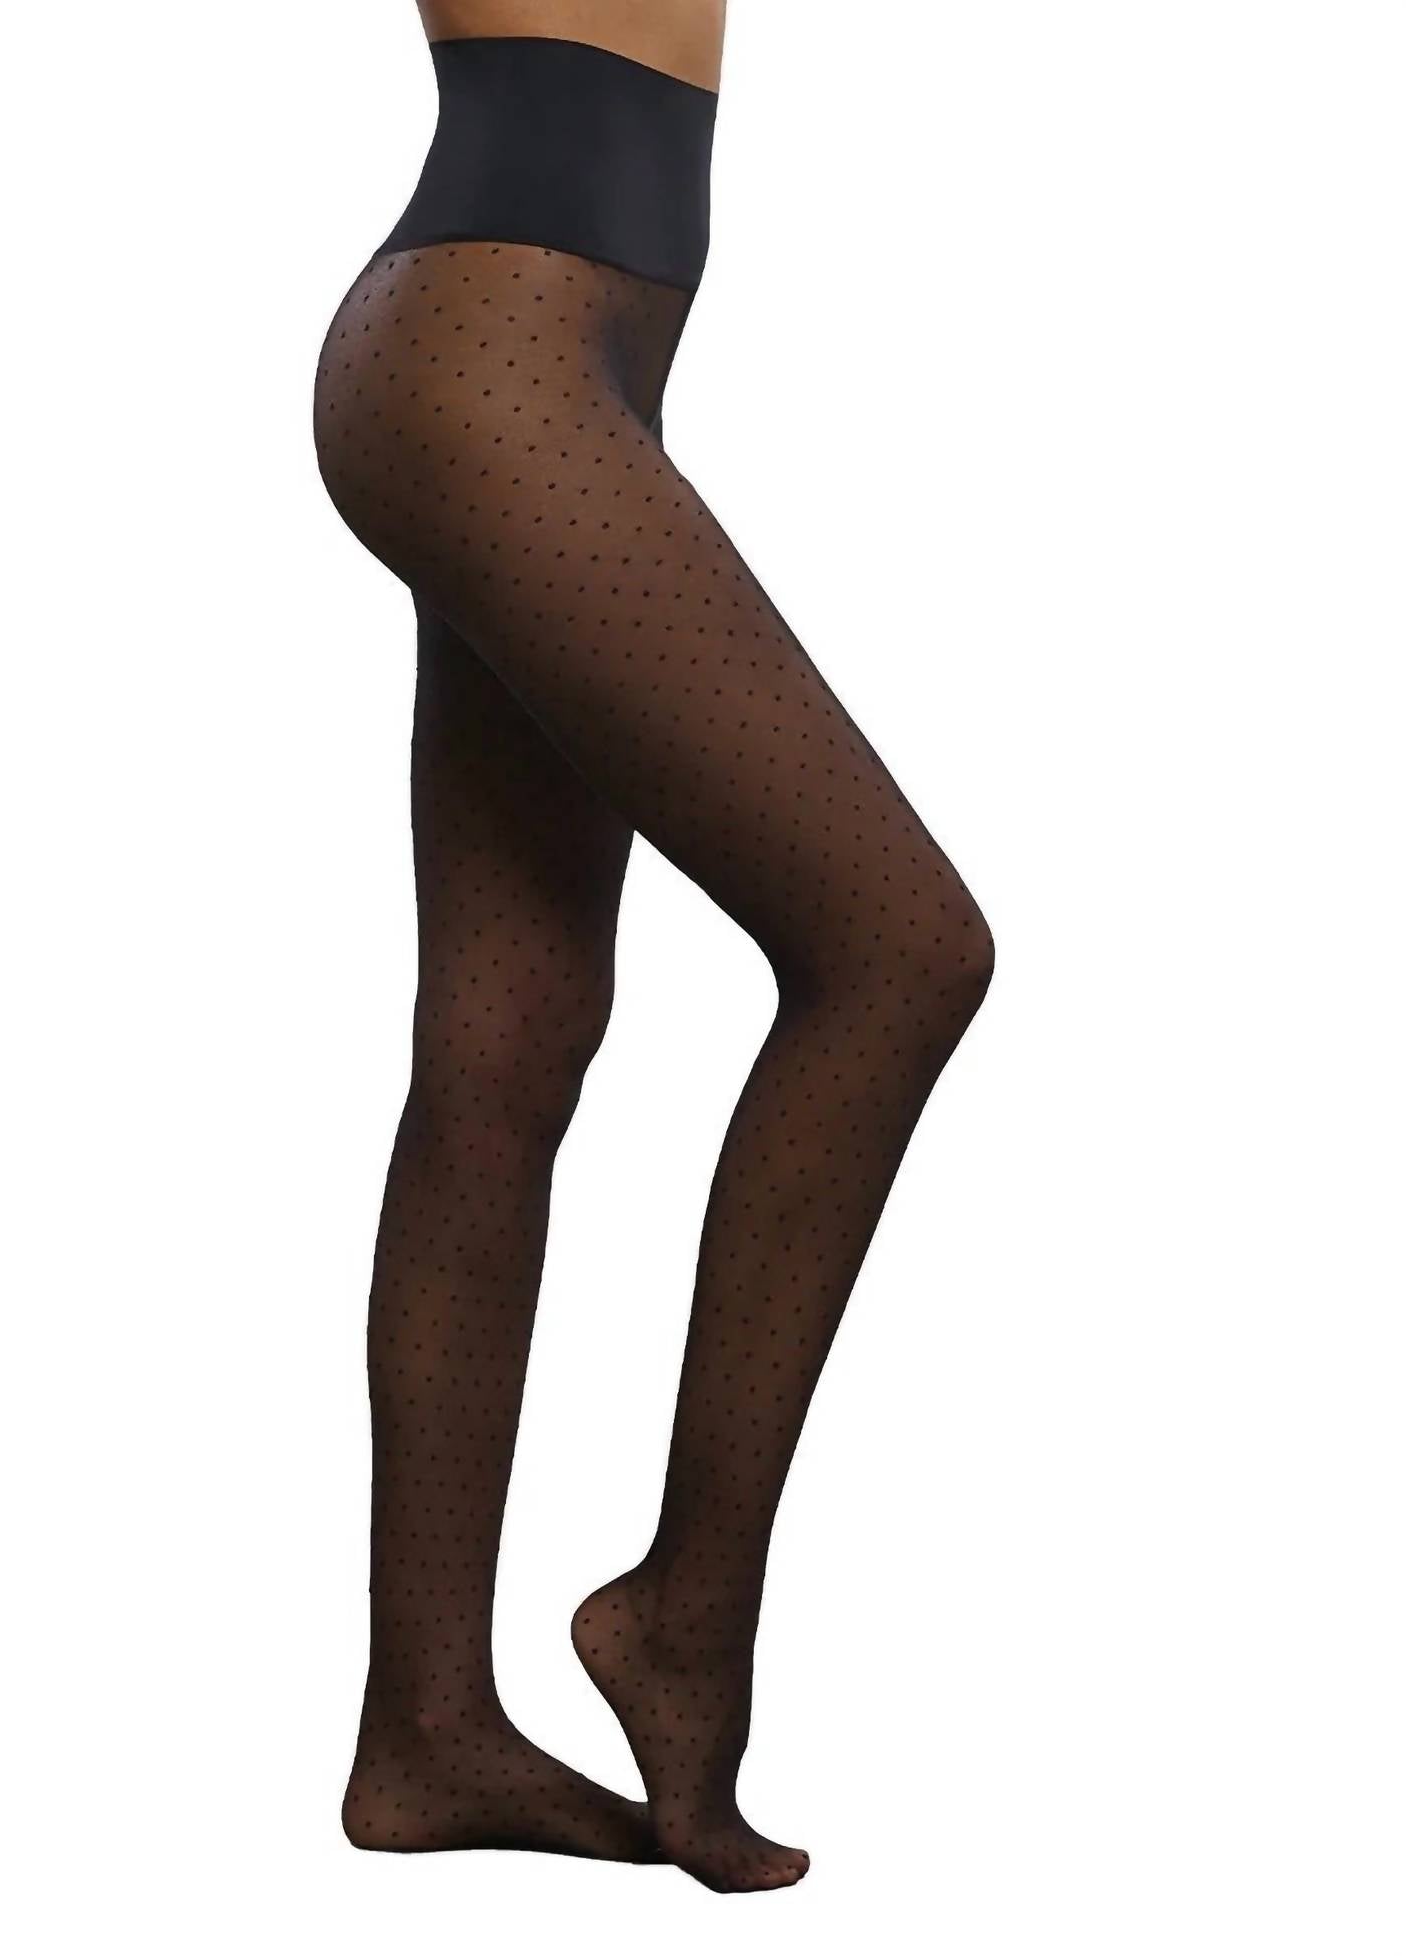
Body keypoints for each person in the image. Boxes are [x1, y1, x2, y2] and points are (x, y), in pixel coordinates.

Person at [313, 0, 993, 1893]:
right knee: (901, 953)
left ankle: (424, 1731)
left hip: (545, 365)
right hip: (499, 360)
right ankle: (686, 1619)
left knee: (506, 1038)